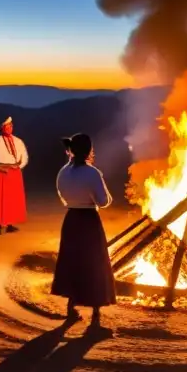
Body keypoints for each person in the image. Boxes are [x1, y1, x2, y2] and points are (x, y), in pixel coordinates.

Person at [51, 134, 116, 330]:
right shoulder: (92, 173)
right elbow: (103, 201)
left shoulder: (63, 172)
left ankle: (71, 308)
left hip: (71, 220)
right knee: (95, 264)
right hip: (88, 221)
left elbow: (62, 196)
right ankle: (96, 315)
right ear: (89, 151)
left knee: (72, 262)